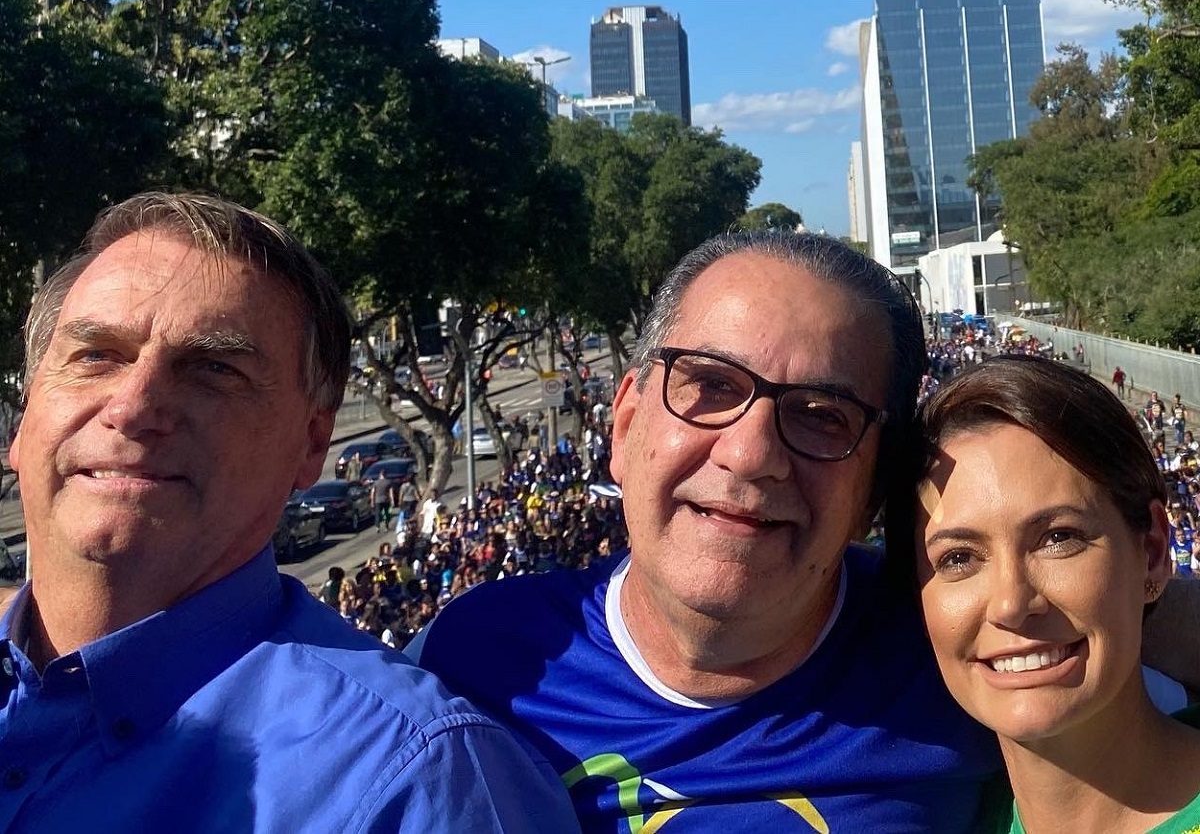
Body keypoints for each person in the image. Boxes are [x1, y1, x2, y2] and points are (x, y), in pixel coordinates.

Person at [0, 192, 577, 832]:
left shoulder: (417, 782)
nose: (132, 406)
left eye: (214, 369)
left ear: (310, 445)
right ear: (23, 423)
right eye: (96, 356)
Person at [410, 231, 998, 830]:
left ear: (874, 488)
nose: (750, 452)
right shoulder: (457, 666)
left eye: (821, 415)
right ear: (625, 427)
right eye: (712, 385)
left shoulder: (970, 665)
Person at [901, 355, 1200, 832]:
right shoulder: (929, 816)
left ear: (1153, 551)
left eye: (1058, 538)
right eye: (958, 558)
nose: (1011, 604)